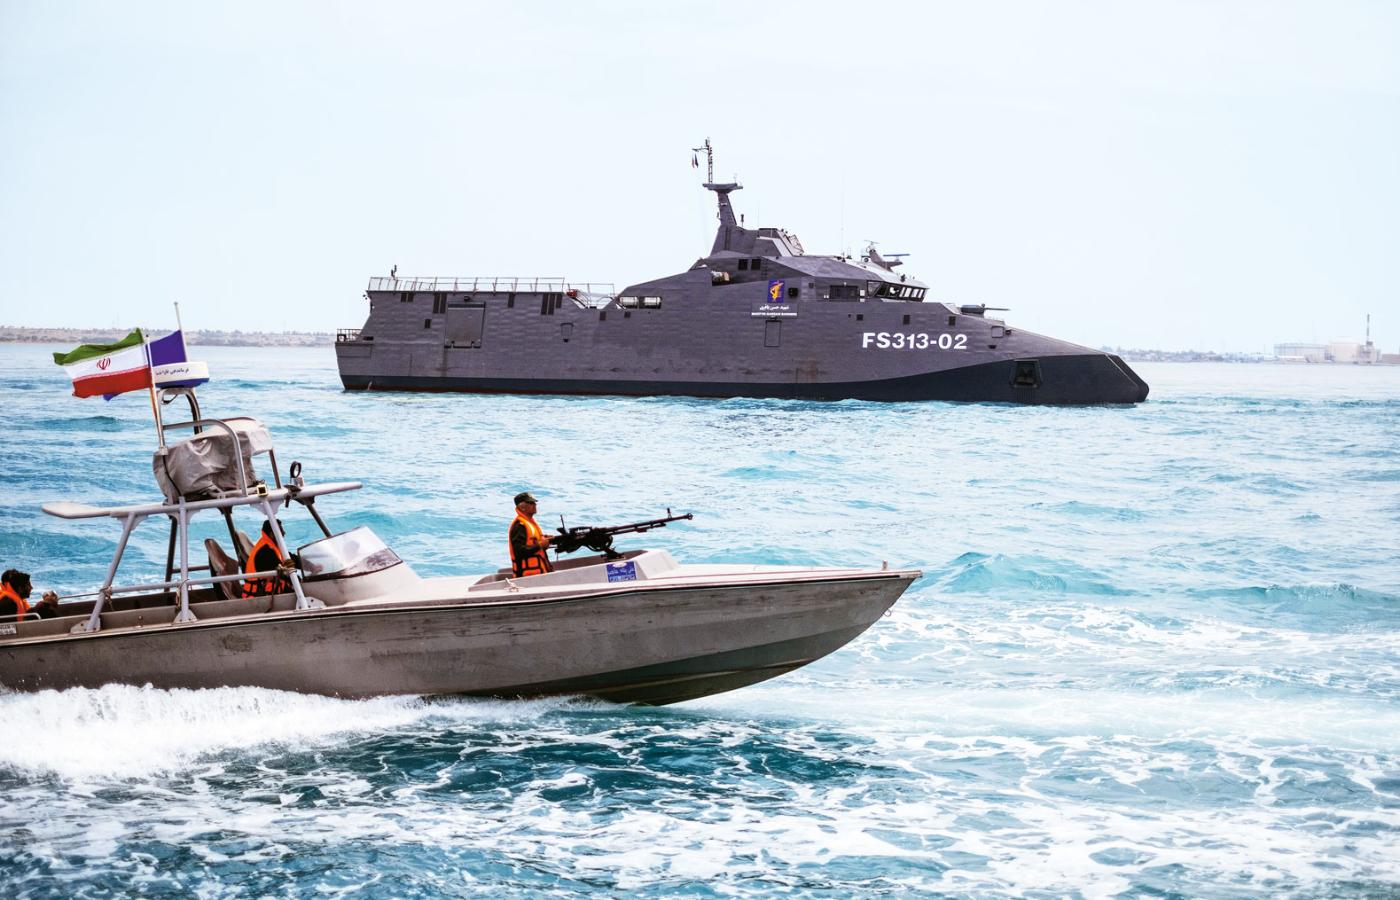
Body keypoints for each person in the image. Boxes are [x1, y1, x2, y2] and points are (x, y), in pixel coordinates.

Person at [508, 492, 554, 577]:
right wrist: (540, 545)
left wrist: (545, 539)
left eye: (534, 502)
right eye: (531, 503)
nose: (535, 505)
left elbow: (531, 542)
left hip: (538, 574)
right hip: (526, 577)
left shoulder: (530, 523)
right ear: (522, 507)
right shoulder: (519, 526)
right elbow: (519, 551)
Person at [243, 519, 293, 597]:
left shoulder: (272, 545)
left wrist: (308, 565)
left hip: (268, 593)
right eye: (281, 531)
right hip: (259, 597)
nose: (284, 533)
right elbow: (284, 573)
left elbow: (290, 558)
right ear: (272, 534)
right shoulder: (265, 551)